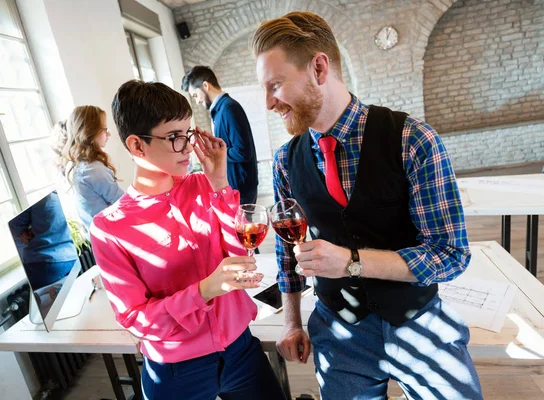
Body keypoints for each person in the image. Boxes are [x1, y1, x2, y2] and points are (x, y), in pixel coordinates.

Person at [252, 11, 483, 400]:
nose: (268, 103)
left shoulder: (412, 139)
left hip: (420, 324)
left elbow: (451, 255)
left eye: (275, 85)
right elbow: (286, 254)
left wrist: (350, 262)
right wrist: (292, 322)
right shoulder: (284, 162)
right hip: (339, 334)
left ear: (319, 68)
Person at [89, 80, 287, 400]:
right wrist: (204, 290)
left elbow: (239, 256)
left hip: (240, 351)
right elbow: (135, 319)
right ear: (138, 146)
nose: (188, 147)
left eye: (188, 133)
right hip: (177, 371)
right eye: (175, 138)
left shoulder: (202, 185)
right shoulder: (110, 228)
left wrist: (220, 181)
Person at [182, 66, 259, 204]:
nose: (197, 101)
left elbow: (242, 152)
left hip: (241, 189)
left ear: (205, 85)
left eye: (195, 95)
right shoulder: (220, 110)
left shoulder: (229, 108)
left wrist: (215, 153)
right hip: (235, 186)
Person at [63, 105, 124, 229]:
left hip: (97, 236)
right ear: (89, 132)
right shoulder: (94, 170)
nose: (109, 134)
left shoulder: (74, 164)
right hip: (113, 235)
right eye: (105, 129)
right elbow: (123, 204)